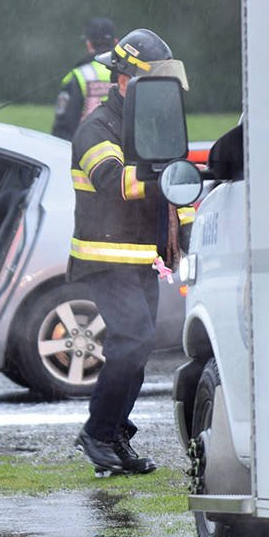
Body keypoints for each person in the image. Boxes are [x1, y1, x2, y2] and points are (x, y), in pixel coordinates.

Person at [69, 27, 186, 476]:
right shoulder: (94, 127)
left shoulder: (152, 123)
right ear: (125, 80)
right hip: (103, 257)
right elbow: (115, 182)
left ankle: (113, 435)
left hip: (141, 258)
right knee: (133, 340)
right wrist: (168, 175)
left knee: (137, 348)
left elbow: (175, 192)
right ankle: (97, 434)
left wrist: (187, 233)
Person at [51, 17, 117, 141]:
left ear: (89, 44)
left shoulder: (80, 75)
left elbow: (64, 128)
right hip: (123, 155)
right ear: (116, 43)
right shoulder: (130, 74)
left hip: (88, 153)